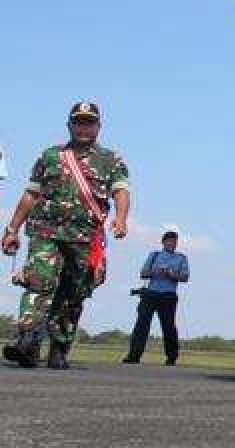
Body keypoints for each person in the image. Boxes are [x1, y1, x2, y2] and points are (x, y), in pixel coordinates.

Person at [2, 102, 130, 370]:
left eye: (89, 122)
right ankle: (27, 340)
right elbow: (31, 194)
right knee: (38, 282)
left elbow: (120, 190)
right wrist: (12, 229)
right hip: (45, 231)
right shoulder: (50, 156)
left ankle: (59, 345)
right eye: (78, 122)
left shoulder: (110, 159)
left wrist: (120, 218)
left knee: (74, 292)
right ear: (69, 124)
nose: (83, 127)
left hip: (84, 236)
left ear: (98, 126)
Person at [123, 231, 190, 365]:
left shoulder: (181, 258)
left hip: (168, 295)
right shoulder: (154, 255)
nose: (172, 244)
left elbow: (185, 277)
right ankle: (134, 355)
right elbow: (143, 273)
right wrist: (156, 272)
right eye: (169, 241)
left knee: (168, 326)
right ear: (163, 242)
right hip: (151, 293)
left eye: (174, 241)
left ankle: (171, 357)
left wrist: (171, 274)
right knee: (141, 324)